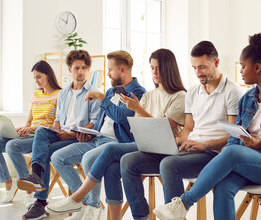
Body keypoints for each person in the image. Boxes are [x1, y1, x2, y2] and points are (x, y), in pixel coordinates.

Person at [153, 33, 261, 220]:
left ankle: (183, 204)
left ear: (257, 67)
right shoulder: (248, 99)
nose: (241, 71)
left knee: (232, 152)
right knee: (222, 185)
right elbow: (236, 135)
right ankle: (180, 206)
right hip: (252, 162)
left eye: (243, 66)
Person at [46, 48, 186, 220]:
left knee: (110, 150)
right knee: (112, 169)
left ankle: (79, 199)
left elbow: (162, 131)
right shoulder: (149, 95)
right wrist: (92, 132)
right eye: (152, 68)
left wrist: (139, 110)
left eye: (158, 68)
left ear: (169, 68)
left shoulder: (179, 96)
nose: (154, 72)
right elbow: (136, 128)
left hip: (162, 147)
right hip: (143, 144)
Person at [121, 41, 245, 220]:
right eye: (194, 67)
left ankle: (175, 215)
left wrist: (203, 145)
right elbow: (187, 130)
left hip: (215, 154)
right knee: (129, 161)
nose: (198, 73)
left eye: (202, 67)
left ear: (216, 62)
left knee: (169, 164)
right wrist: (175, 141)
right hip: (191, 149)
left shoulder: (233, 92)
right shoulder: (193, 92)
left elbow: (234, 136)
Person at [17, 50, 101, 220]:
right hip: (61, 134)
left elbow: (94, 123)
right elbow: (57, 120)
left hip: (79, 137)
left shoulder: (94, 92)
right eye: (77, 68)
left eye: (84, 68)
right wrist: (55, 129)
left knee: (48, 153)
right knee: (41, 131)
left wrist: (71, 134)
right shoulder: (64, 93)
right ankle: (37, 175)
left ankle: (45, 203)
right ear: (70, 69)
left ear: (88, 70)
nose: (81, 72)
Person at [0, 60, 61, 207]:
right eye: (34, 78)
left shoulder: (59, 95)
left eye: (39, 76)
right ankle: (8, 182)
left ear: (48, 75)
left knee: (12, 146)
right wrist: (22, 129)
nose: (36, 81)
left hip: (44, 137)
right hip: (30, 135)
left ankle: (29, 188)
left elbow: (56, 126)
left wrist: (32, 129)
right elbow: (29, 122)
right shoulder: (35, 95)